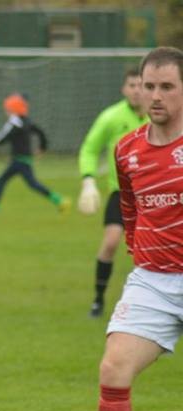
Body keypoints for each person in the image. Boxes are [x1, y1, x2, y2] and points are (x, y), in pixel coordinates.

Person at [85, 46, 183, 411]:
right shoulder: (127, 149)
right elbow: (129, 208)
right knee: (113, 369)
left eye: (167, 87)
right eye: (149, 86)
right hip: (153, 280)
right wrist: (140, 253)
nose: (156, 96)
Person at [77, 70, 148, 318]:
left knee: (155, 250)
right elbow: (89, 148)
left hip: (153, 195)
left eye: (141, 85)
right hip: (122, 194)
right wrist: (88, 181)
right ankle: (98, 299)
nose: (137, 90)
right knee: (110, 243)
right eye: (132, 85)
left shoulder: (160, 116)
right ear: (123, 89)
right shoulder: (111, 117)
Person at [0, 93, 71, 222]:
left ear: (14, 109)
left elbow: (5, 135)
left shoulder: (15, 122)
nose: (6, 112)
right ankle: (60, 201)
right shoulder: (26, 121)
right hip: (23, 160)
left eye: (8, 109)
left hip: (19, 160)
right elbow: (40, 132)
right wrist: (43, 147)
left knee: (3, 181)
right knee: (31, 184)